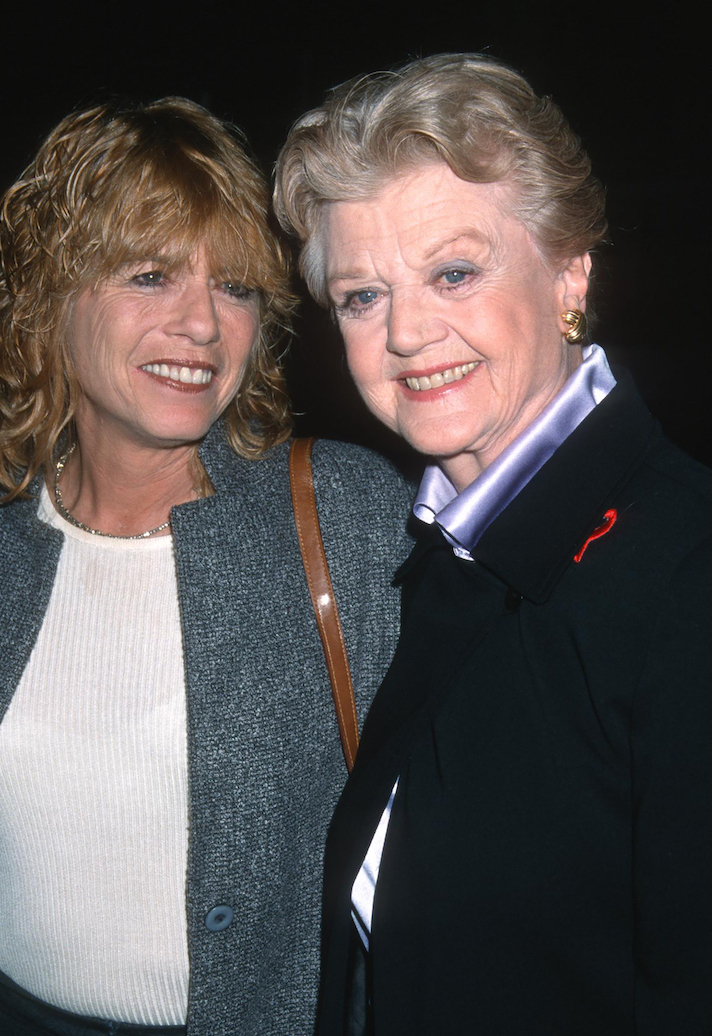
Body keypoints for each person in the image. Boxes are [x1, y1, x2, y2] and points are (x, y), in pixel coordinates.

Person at [0, 98, 412, 1036]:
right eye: (150, 276)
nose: (202, 326)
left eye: (235, 287)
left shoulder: (343, 514)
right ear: (50, 295)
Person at [274, 53, 712, 1034]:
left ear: (568, 272)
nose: (405, 334)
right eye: (361, 295)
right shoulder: (448, 561)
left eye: (453, 272)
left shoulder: (683, 577)